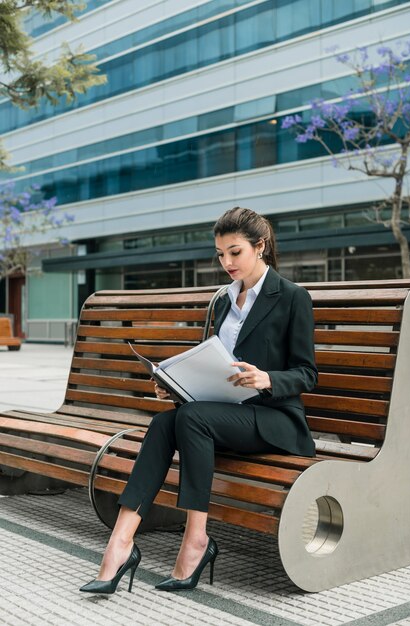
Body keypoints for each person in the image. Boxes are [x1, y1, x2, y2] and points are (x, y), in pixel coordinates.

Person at [80, 206, 318, 594]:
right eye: (220, 254)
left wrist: (267, 378)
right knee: (163, 421)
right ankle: (119, 544)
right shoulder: (223, 301)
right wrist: (175, 386)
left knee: (190, 419)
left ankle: (196, 540)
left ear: (261, 246)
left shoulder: (292, 297)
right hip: (221, 415)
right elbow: (214, 366)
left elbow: (307, 373)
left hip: (273, 420)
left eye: (235, 252)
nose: (226, 262)